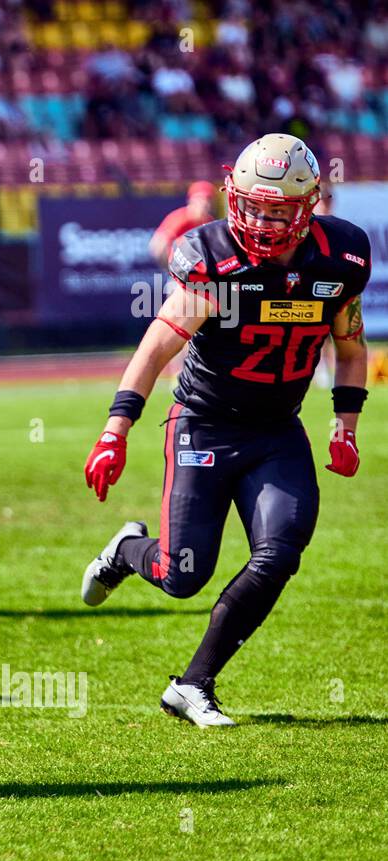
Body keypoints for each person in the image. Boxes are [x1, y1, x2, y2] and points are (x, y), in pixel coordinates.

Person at [81, 134, 371, 726]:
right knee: (182, 575)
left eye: (278, 209)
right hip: (204, 425)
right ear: (233, 197)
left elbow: (350, 343)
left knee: (281, 550)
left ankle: (193, 686)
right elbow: (156, 346)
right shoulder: (212, 258)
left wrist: (346, 425)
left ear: (309, 205)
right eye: (253, 204)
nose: (261, 220)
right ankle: (126, 551)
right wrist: (117, 429)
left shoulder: (341, 257)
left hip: (275, 430)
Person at [148, 179, 216, 266]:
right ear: (191, 200)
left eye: (208, 199)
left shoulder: (209, 221)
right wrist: (172, 268)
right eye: (201, 199)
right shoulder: (180, 218)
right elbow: (157, 246)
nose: (205, 203)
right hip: (180, 272)